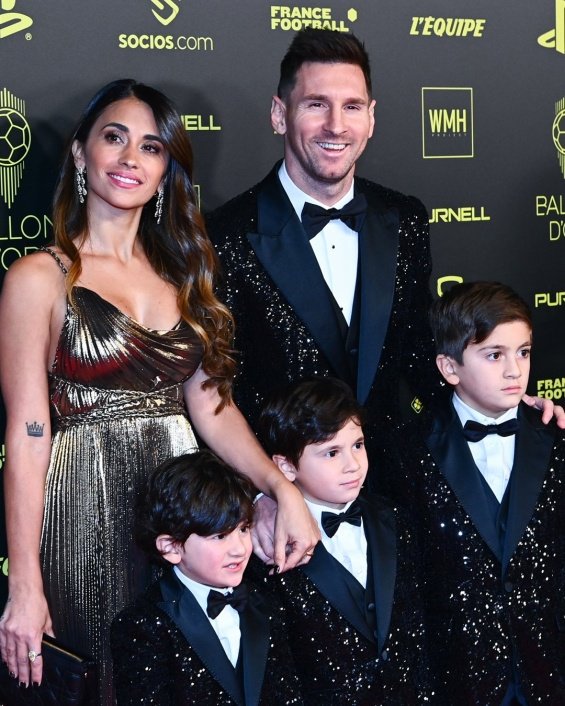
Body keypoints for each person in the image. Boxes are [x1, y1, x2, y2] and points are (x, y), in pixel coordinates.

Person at [0, 79, 317, 705]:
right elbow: (28, 434)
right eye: (114, 138)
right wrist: (24, 583)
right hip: (84, 502)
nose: (129, 159)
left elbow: (211, 406)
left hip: (184, 507)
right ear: (79, 152)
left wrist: (279, 487)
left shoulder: (187, 273)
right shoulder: (41, 276)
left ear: (167, 169)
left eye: (151, 147)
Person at [207, 28, 439, 500]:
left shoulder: (405, 219)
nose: (336, 125)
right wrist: (261, 496)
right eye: (316, 104)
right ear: (279, 114)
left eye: (352, 106)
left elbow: (422, 354)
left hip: (394, 500)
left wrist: (501, 407)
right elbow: (212, 394)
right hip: (278, 510)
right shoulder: (224, 235)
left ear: (371, 118)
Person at [391, 282, 565, 704]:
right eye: (494, 355)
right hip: (458, 681)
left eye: (523, 352)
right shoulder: (408, 452)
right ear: (450, 368)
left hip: (549, 673)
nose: (514, 370)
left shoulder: (555, 437)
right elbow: (408, 589)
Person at [256, 377, 429, 705]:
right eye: (331, 452)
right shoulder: (269, 545)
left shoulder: (394, 518)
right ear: (286, 466)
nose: (353, 465)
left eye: (358, 445)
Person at [111, 450, 303, 705]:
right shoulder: (141, 626)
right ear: (171, 547)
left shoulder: (265, 601)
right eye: (220, 536)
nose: (240, 548)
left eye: (243, 529)